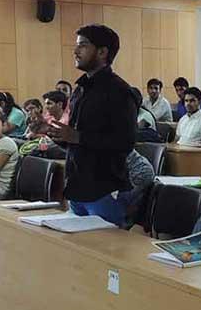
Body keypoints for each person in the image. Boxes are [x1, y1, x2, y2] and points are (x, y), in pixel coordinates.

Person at [47, 24, 139, 223]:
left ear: (102, 52)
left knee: (106, 251)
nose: (75, 51)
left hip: (103, 189)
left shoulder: (119, 91)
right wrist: (52, 132)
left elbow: (125, 142)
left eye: (83, 46)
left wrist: (78, 137)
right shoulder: (80, 90)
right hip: (77, 186)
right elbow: (73, 139)